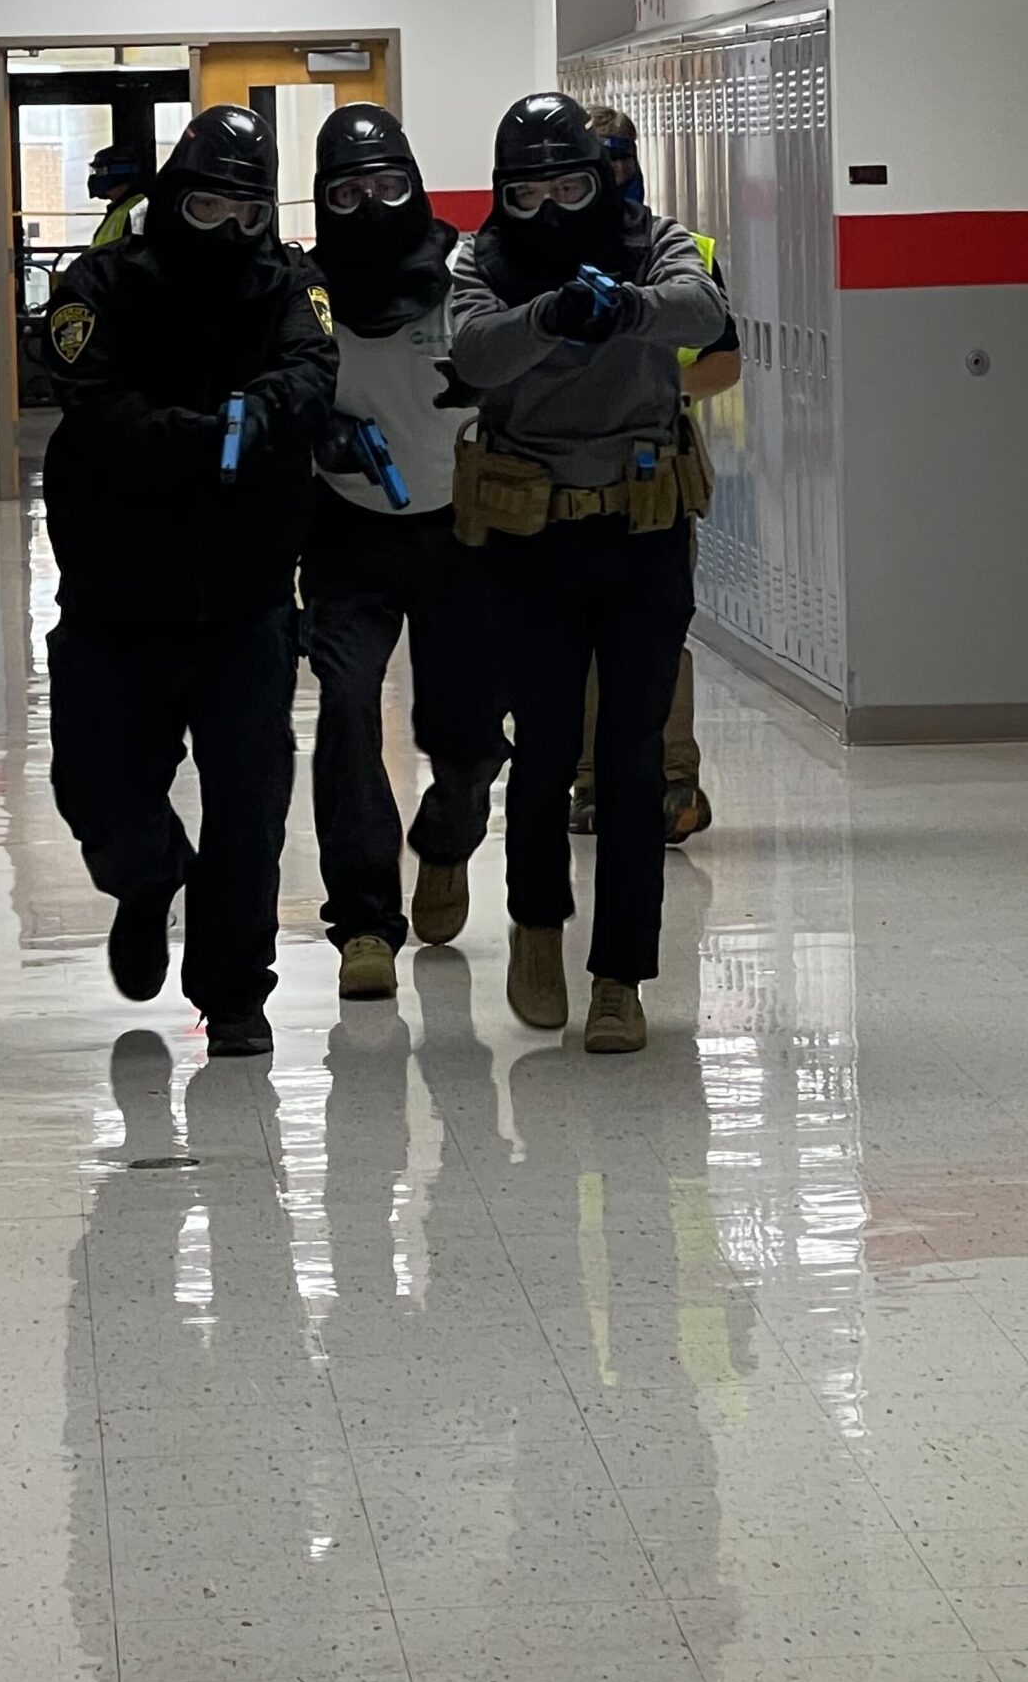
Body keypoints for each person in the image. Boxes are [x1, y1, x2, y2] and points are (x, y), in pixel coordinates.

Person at [42, 104, 337, 1056]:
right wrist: (209, 440)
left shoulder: (292, 282)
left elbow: (312, 370)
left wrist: (258, 415)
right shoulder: (100, 284)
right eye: (209, 205)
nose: (230, 230)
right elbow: (95, 408)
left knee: (249, 808)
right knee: (99, 791)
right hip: (116, 597)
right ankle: (146, 878)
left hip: (244, 600)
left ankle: (236, 995)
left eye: (248, 212)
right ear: (176, 194)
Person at [448, 92, 726, 1054]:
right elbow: (474, 349)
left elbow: (704, 308)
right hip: (532, 542)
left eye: (573, 184)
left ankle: (619, 979)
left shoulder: (655, 242)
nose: (554, 208)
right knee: (545, 747)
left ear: (602, 179)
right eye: (530, 192)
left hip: (642, 534)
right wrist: (550, 315)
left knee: (633, 758)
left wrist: (627, 307)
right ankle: (536, 928)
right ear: (502, 193)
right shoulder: (480, 258)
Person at [302, 103, 508, 1005]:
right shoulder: (303, 289)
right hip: (349, 530)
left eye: (388, 186)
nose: (371, 206)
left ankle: (453, 831)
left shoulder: (468, 269)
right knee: (347, 709)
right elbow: (274, 382)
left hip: (465, 526)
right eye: (348, 193)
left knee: (465, 732)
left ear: (415, 181)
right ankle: (363, 923)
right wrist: (319, 431)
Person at [569, 106, 741, 846]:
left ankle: (675, 781)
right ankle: (587, 783)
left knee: (660, 625)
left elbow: (724, 361)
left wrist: (656, 391)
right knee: (575, 634)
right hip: (564, 465)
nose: (613, 173)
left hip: (658, 465)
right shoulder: (536, 253)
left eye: (621, 157)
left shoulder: (680, 253)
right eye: (597, 158)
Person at [86, 142, 153, 246]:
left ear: (119, 174)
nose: (95, 177)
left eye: (100, 172)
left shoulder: (137, 210)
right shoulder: (120, 208)